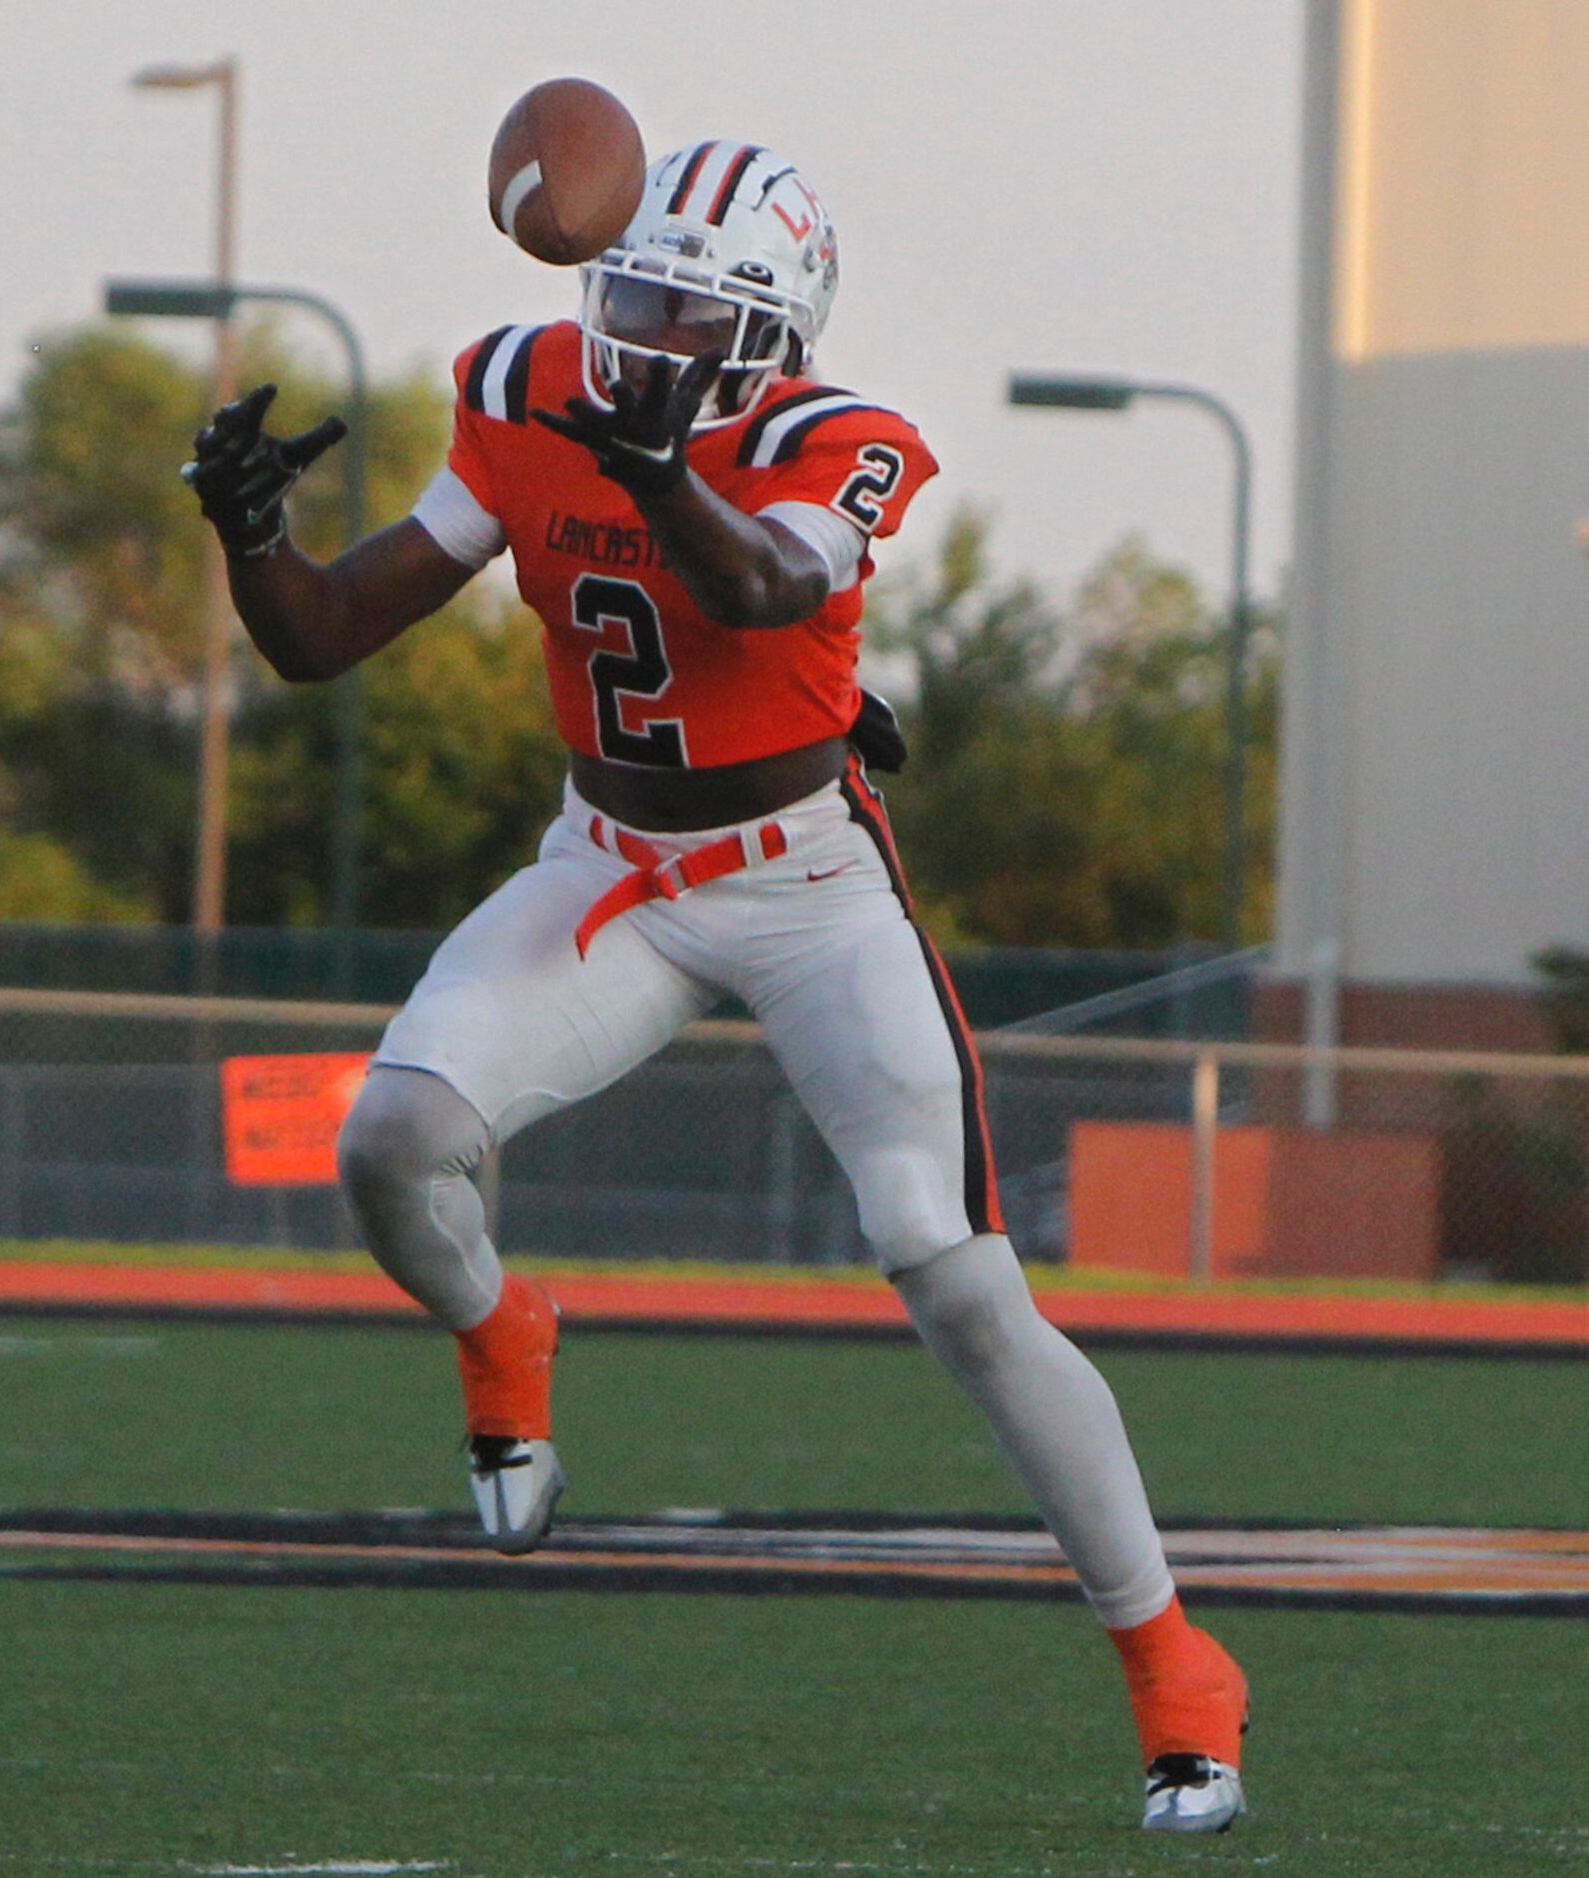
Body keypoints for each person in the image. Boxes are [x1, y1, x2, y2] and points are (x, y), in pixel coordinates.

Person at [184, 138, 1249, 1835]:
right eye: (632, 291)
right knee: (388, 1142)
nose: (647, 326)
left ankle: (1174, 1665)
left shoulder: (843, 442)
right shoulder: (528, 389)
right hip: (607, 866)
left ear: (772, 333)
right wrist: (252, 539)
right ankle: (498, 1331)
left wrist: (661, 474)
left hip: (807, 885)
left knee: (954, 1277)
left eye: (692, 304)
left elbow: (757, 585)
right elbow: (321, 635)